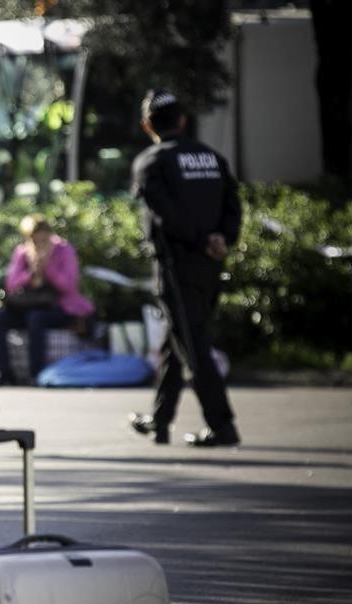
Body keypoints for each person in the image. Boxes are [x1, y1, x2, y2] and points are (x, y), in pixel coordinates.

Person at [129, 89, 241, 447]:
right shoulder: (213, 158)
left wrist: (199, 239)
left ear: (148, 125)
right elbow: (233, 204)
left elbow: (165, 215)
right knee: (176, 343)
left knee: (192, 347)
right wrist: (221, 238)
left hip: (177, 266)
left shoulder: (152, 162)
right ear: (182, 120)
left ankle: (222, 425)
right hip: (210, 265)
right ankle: (160, 421)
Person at [0, 214, 95, 386]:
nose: (39, 244)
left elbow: (69, 286)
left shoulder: (64, 250)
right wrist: (31, 273)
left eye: (43, 240)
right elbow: (12, 284)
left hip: (60, 307)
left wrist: (47, 267)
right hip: (29, 305)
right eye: (35, 241)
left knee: (36, 318)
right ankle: (4, 373)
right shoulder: (22, 252)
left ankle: (36, 373)